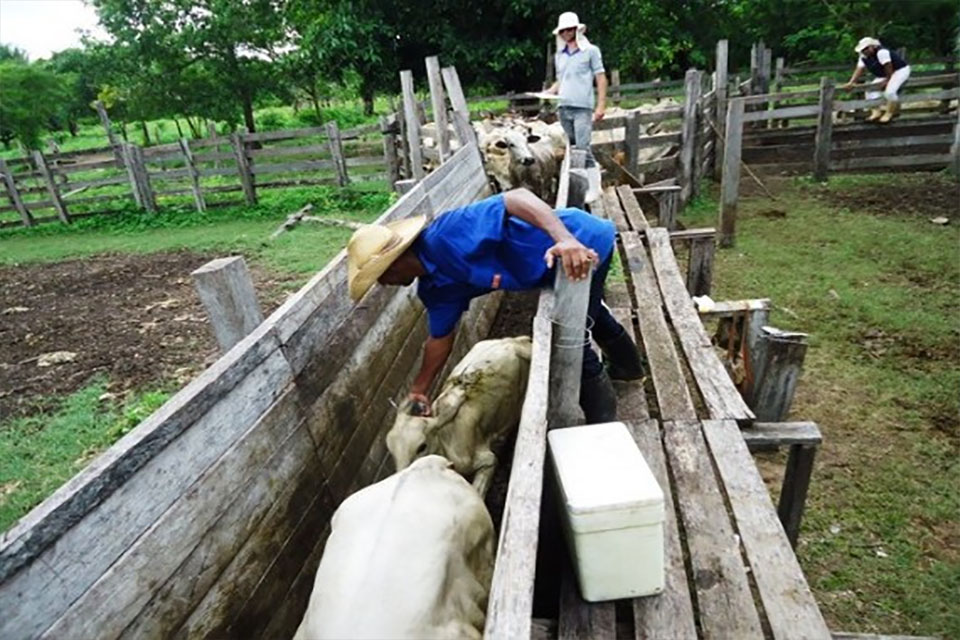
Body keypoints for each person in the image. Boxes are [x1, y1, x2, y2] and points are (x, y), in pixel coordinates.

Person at [346, 188, 644, 424]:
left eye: (381, 276)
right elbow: (439, 339)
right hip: (553, 269)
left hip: (582, 245)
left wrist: (565, 240)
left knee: (571, 340)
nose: (383, 284)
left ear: (395, 262)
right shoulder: (436, 289)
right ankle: (629, 370)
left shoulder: (447, 234)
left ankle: (602, 425)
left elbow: (516, 197)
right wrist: (420, 389)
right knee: (590, 313)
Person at [545, 11, 607, 168]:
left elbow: (600, 78)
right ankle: (589, 177)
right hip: (563, 107)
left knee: (582, 148)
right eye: (563, 30)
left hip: (582, 107)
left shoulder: (591, 51)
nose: (566, 33)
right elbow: (561, 80)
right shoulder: (560, 55)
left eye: (570, 29)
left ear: (577, 30)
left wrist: (600, 105)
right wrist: (549, 92)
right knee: (571, 146)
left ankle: (590, 180)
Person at [842, 37, 911, 123]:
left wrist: (887, 80)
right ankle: (876, 112)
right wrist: (851, 82)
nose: (865, 51)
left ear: (872, 46)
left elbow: (888, 66)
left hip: (899, 70)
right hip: (883, 74)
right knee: (869, 90)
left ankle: (889, 113)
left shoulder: (882, 52)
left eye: (866, 48)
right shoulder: (863, 56)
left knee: (890, 92)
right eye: (863, 49)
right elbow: (859, 69)